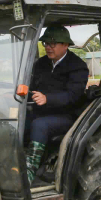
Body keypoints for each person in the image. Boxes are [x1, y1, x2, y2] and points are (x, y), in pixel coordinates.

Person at [24, 25, 90, 184]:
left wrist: (47, 98)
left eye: (53, 44)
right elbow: (31, 86)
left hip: (67, 116)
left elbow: (73, 96)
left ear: (65, 45)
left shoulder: (78, 66)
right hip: (41, 112)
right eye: (46, 43)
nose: (48, 47)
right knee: (17, 119)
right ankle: (14, 163)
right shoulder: (40, 64)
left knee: (40, 125)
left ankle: (29, 172)